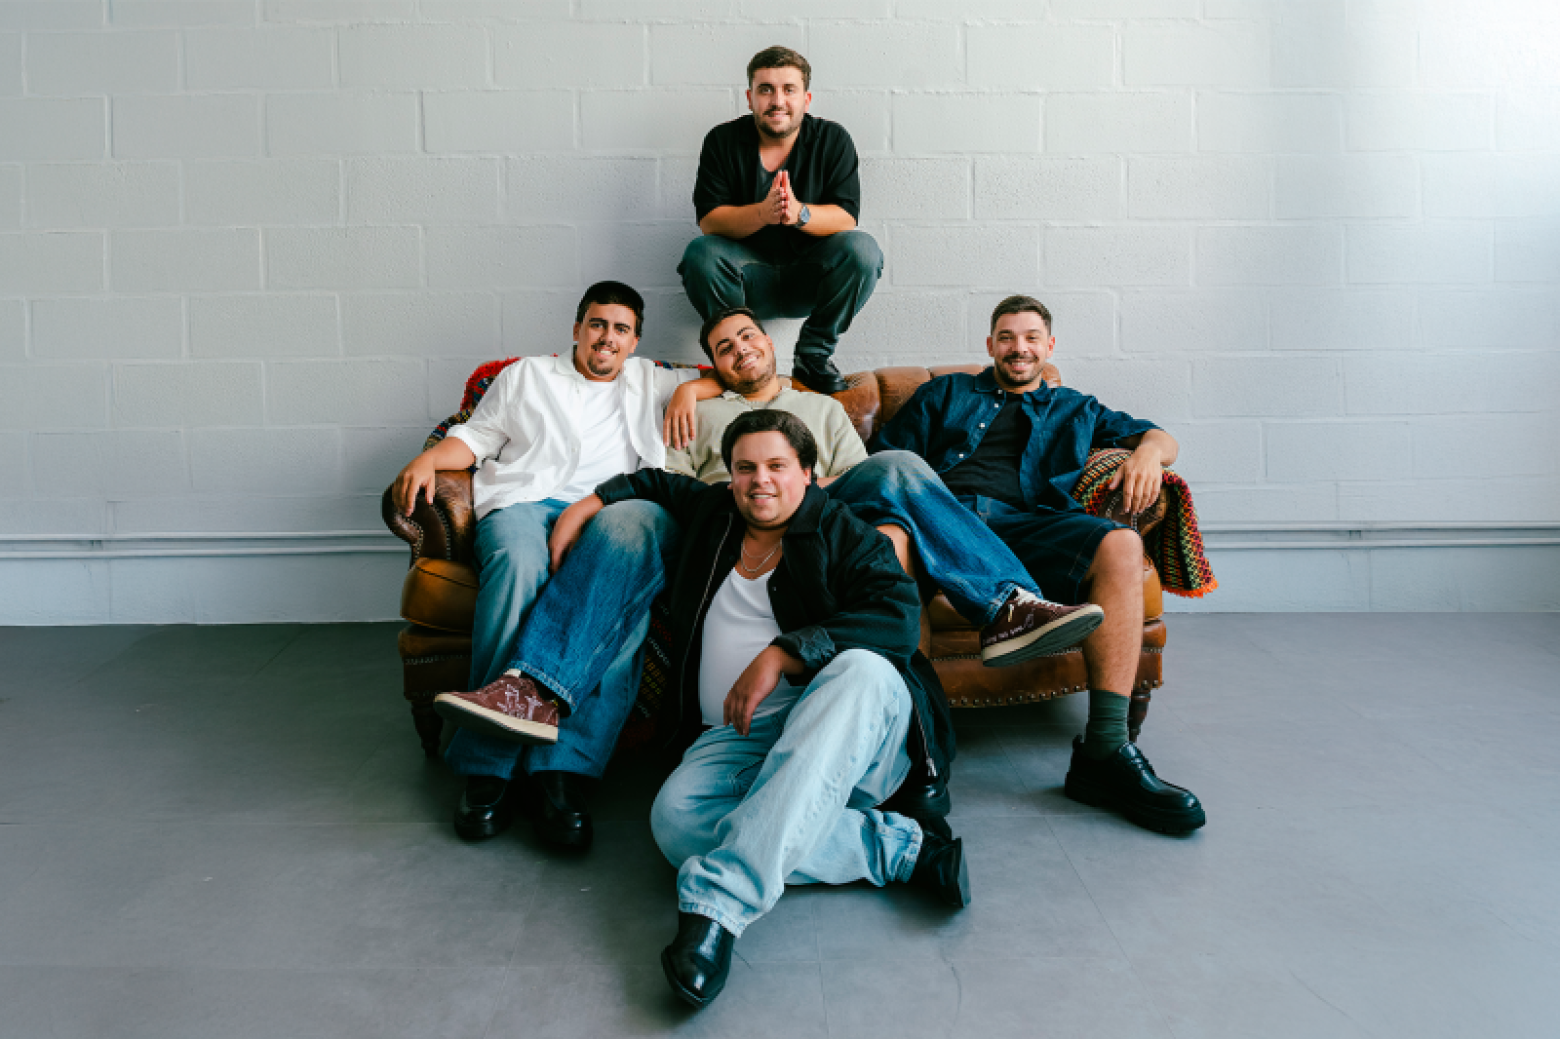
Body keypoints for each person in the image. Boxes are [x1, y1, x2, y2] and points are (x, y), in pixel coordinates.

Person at [560, 410, 968, 1008]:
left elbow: (897, 618)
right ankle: (904, 850)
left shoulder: (844, 531)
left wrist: (786, 652)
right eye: (745, 468)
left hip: (838, 731)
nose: (760, 481)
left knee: (864, 666)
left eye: (778, 466)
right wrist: (581, 509)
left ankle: (718, 908)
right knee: (675, 822)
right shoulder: (713, 516)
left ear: (808, 472)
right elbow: (650, 481)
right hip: (736, 737)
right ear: (729, 477)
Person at [391, 281, 719, 850]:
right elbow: (474, 439)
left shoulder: (654, 379)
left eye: (620, 329)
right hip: (523, 503)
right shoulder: (524, 376)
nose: (607, 338)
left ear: (635, 341)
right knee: (519, 566)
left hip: (617, 508)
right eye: (597, 324)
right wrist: (428, 458)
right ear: (576, 329)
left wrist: (694, 390)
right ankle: (490, 768)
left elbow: (747, 373)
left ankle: (560, 770)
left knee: (622, 552)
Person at [872, 295, 1208, 836]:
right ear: (990, 347)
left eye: (1031, 337)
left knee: (1121, 544)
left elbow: (1160, 437)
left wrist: (1146, 454)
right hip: (948, 521)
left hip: (1036, 526)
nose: (1018, 347)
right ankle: (919, 744)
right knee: (901, 471)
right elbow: (884, 466)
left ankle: (1105, 751)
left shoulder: (1077, 408)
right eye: (1007, 337)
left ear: (1049, 347)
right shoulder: (945, 394)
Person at [679, 45, 880, 396]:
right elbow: (710, 222)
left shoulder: (832, 140)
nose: (778, 100)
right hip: (744, 279)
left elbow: (846, 217)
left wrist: (799, 213)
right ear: (750, 97)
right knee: (701, 254)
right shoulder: (722, 141)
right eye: (766, 89)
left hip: (810, 276)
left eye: (789, 89)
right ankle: (740, 362)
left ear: (806, 98)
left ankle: (813, 356)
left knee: (863, 250)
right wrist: (763, 212)